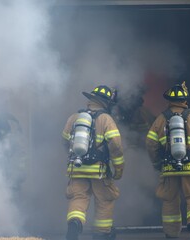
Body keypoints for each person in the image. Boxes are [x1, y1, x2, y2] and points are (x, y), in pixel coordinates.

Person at [145, 82, 190, 240]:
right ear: (185, 101)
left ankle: (171, 234)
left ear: (169, 101)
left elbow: (150, 143)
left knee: (170, 200)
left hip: (169, 168)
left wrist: (157, 162)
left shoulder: (160, 119)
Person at [62, 85, 125, 240]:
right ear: (106, 103)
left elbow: (64, 140)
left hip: (76, 166)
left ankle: (75, 223)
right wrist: (118, 169)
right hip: (99, 171)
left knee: (78, 197)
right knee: (105, 199)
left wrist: (74, 156)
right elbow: (116, 145)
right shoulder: (106, 119)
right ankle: (102, 234)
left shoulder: (74, 117)